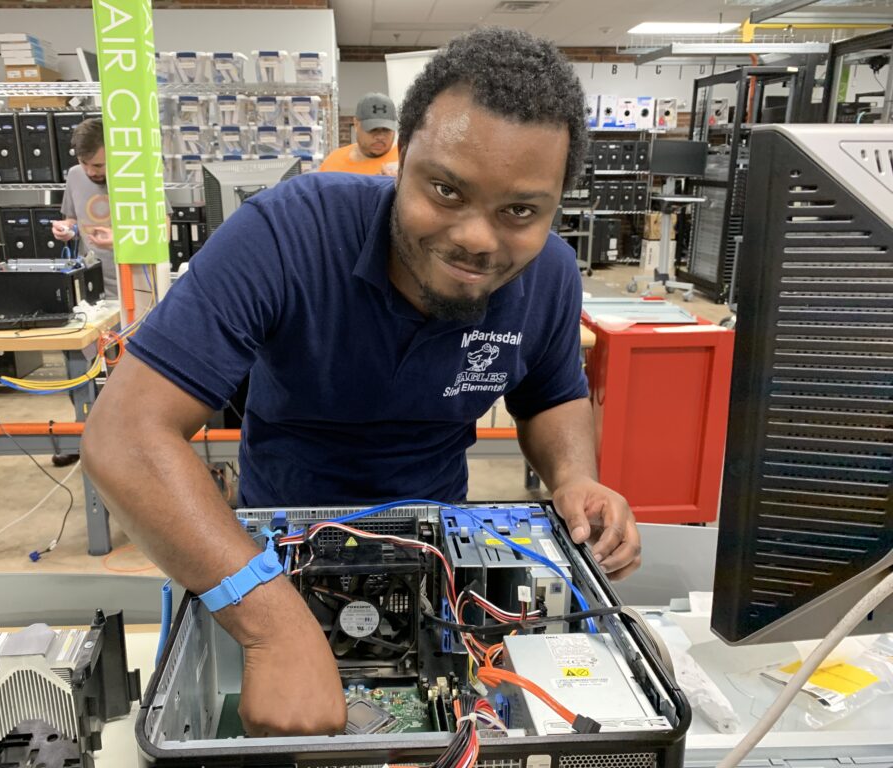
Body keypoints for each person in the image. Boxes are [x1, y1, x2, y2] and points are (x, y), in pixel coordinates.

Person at [81, 28, 640, 738]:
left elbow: (552, 394)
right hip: (266, 547)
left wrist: (576, 479)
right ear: (398, 161)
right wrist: (270, 627)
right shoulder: (285, 233)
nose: (477, 237)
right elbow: (124, 434)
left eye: (519, 212)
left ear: (554, 205)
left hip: (437, 552)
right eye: (445, 189)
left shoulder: (549, 274)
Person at [52, 118, 118, 296]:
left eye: (98, 165)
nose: (90, 172)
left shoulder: (136, 177)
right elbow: (73, 219)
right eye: (83, 163)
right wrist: (67, 229)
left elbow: (163, 233)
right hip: (90, 284)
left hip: (133, 285)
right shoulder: (74, 175)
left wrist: (120, 241)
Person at [319, 92, 399, 176]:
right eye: (373, 129)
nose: (380, 136)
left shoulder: (405, 160)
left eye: (386, 130)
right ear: (356, 124)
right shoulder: (334, 163)